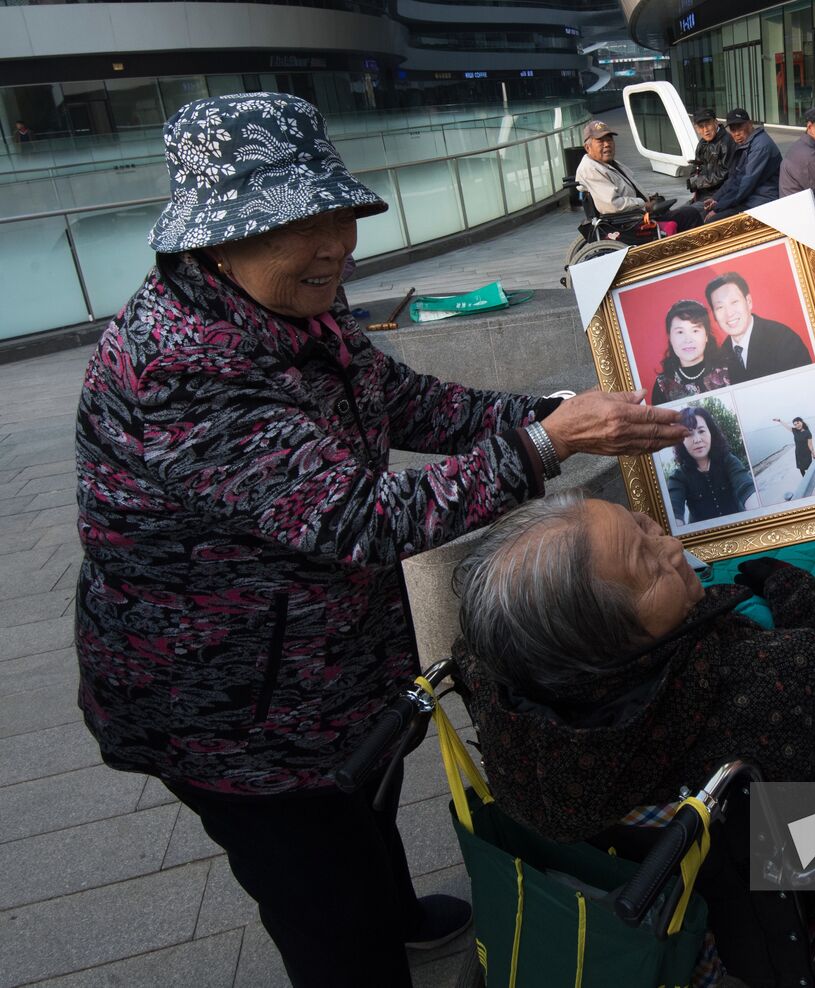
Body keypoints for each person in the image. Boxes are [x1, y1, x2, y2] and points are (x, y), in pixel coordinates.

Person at [73, 92, 687, 988]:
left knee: (360, 803)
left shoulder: (293, 307)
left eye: (340, 217)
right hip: (228, 703)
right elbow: (362, 519)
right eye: (299, 226)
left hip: (322, 669)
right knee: (320, 902)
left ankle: (396, 914)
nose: (335, 246)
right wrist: (550, 443)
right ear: (214, 235)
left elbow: (413, 404)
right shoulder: (178, 363)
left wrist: (554, 412)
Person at [452, 491, 815, 845]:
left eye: (643, 525)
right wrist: (795, 590)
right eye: (647, 564)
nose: (671, 545)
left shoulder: (494, 682)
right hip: (794, 862)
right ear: (607, 643)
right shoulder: (780, 677)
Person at [574, 119, 701, 232]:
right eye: (601, 141)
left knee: (688, 211)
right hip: (629, 222)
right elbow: (612, 204)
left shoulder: (609, 164)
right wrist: (644, 204)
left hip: (637, 214)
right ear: (587, 147)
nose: (607, 144)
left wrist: (650, 198)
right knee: (690, 214)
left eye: (609, 139)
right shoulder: (591, 169)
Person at [707, 272, 812, 383]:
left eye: (734, 302)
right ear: (714, 315)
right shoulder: (720, 357)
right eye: (720, 307)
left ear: (749, 302)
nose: (729, 313)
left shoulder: (784, 339)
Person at [666, 405, 756, 523]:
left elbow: (747, 488)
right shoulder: (678, 477)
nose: (697, 440)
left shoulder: (728, 461)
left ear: (711, 433)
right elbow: (673, 513)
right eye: (688, 434)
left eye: (701, 431)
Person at [701, 108, 782, 222]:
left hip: (762, 200)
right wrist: (716, 198)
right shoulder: (745, 144)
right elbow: (734, 178)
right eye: (733, 130)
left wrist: (719, 207)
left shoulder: (761, 146)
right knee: (704, 212)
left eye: (739, 127)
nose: (736, 133)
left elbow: (745, 184)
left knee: (712, 220)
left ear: (749, 124)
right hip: (749, 197)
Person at [650, 298, 731, 403]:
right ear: (670, 338)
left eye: (695, 330)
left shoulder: (728, 370)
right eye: (680, 332)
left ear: (706, 335)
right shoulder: (662, 385)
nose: (688, 340)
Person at [685, 107, 735, 204]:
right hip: (703, 193)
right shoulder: (702, 143)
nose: (705, 130)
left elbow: (725, 173)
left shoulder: (726, 142)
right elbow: (695, 169)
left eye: (708, 125)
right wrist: (693, 179)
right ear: (696, 129)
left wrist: (697, 182)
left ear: (716, 123)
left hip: (719, 195)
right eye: (701, 126)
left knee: (686, 215)